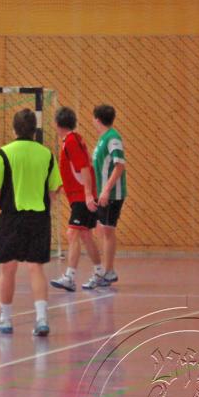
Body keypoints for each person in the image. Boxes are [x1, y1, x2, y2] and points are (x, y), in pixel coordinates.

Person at [0, 108, 63, 336]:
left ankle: (5, 320)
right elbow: (55, 189)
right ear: (35, 130)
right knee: (36, 268)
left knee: (8, 269)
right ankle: (42, 320)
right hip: (39, 218)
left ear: (14, 129)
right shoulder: (47, 155)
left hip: (11, 218)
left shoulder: (3, 154)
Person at [49, 107, 104, 292]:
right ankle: (99, 272)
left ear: (57, 123)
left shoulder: (72, 141)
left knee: (72, 233)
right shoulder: (71, 140)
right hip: (79, 195)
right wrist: (59, 189)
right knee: (85, 235)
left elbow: (84, 168)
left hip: (82, 196)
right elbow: (73, 171)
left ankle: (70, 277)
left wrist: (88, 194)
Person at [90, 104, 127, 288]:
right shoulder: (103, 138)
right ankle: (105, 269)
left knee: (107, 230)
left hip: (112, 194)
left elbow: (119, 165)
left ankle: (109, 271)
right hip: (102, 193)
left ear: (97, 119)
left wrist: (105, 190)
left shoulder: (113, 138)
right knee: (101, 229)